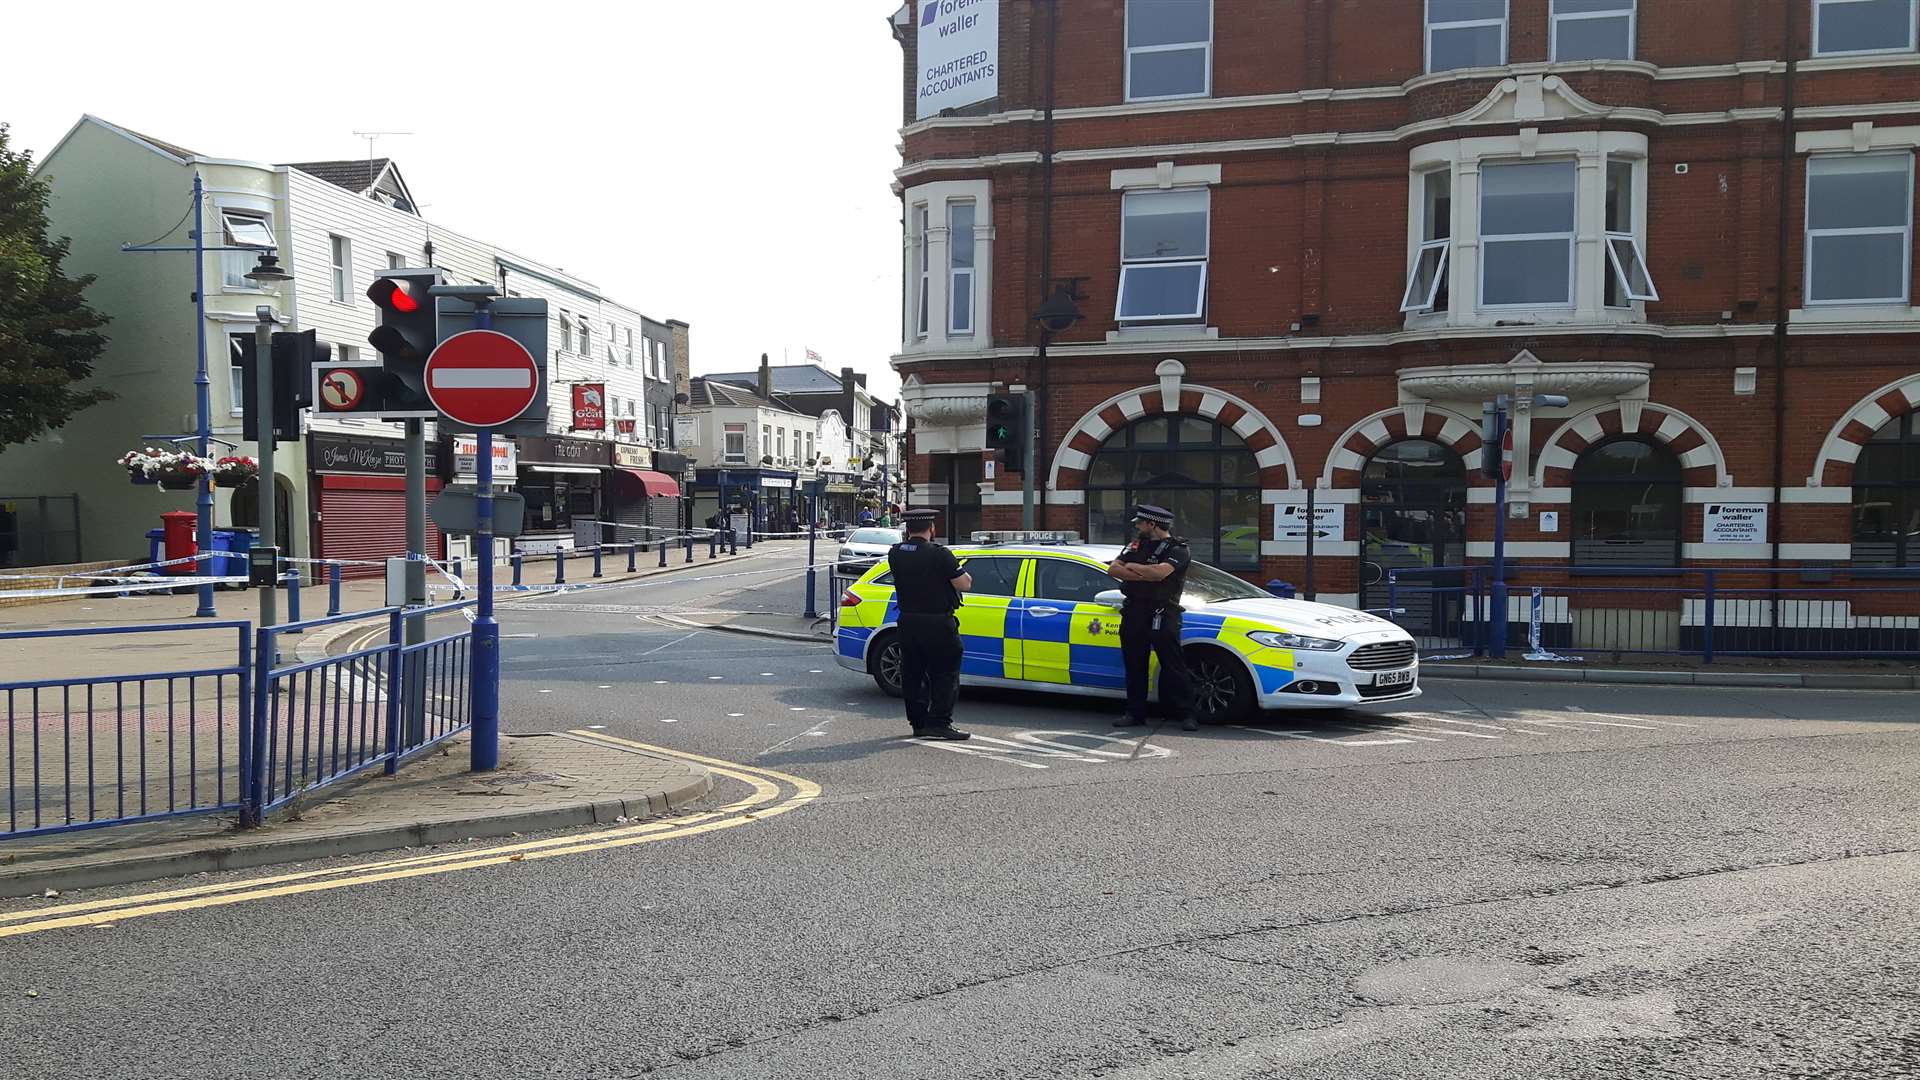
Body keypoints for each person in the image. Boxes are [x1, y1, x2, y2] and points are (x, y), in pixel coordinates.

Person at [1106, 503, 1197, 732]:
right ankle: (1135, 713)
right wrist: (1144, 572)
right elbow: (1114, 569)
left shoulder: (1178, 549)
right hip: (1134, 611)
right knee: (1134, 664)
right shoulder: (1136, 544)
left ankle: (1186, 714)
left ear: (1152, 524)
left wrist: (1134, 568)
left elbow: (1160, 574)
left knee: (1173, 665)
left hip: (1163, 612)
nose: (1136, 526)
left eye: (1139, 522)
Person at [886, 508, 972, 740]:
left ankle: (919, 722)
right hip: (937, 623)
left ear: (908, 529)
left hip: (908, 622)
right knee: (945, 674)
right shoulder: (940, 554)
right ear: (931, 529)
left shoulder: (895, 553)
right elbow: (964, 584)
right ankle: (939, 722)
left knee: (913, 673)